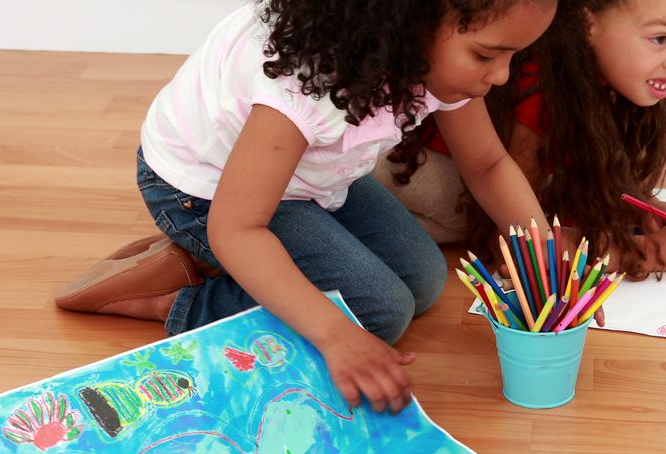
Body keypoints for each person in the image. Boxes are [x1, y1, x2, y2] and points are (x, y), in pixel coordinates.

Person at [54, 0, 558, 414]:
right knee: (377, 310)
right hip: (203, 191)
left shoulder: (432, 55)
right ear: (413, 22)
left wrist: (544, 258)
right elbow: (239, 229)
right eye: (489, 55)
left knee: (425, 279)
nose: (501, 75)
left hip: (309, 177)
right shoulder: (304, 85)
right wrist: (337, 337)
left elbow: (488, 164)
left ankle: (213, 261)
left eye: (513, 56)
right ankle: (178, 297)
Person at [374, 0, 666, 280]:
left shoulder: (588, 76)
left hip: (470, 170)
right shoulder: (538, 86)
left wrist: (634, 208)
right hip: (412, 167)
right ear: (588, 22)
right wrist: (650, 253)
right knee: (509, 217)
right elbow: (511, 242)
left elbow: (574, 177)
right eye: (660, 39)